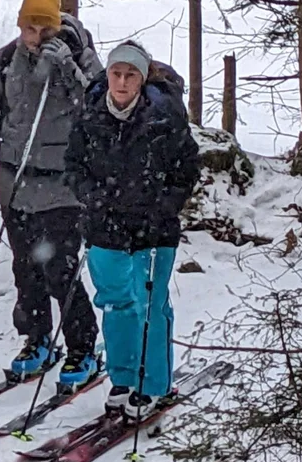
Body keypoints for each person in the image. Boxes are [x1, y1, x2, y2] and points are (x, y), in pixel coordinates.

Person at [0, 0, 103, 390]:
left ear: (55, 24)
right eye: (28, 27)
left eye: (43, 27)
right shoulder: (4, 62)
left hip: (62, 187)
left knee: (60, 270)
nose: (34, 35)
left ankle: (82, 347)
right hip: (14, 185)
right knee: (25, 270)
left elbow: (98, 110)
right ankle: (37, 341)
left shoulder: (78, 55)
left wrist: (67, 68)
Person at [65, 42, 201, 417]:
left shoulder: (165, 114)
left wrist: (166, 204)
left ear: (142, 79)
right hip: (104, 226)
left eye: (130, 75)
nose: (122, 82)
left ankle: (153, 384)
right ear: (107, 74)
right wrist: (92, 196)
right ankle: (123, 379)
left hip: (153, 228)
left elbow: (187, 167)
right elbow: (73, 164)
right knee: (116, 303)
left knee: (150, 305)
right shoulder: (90, 111)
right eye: (116, 73)